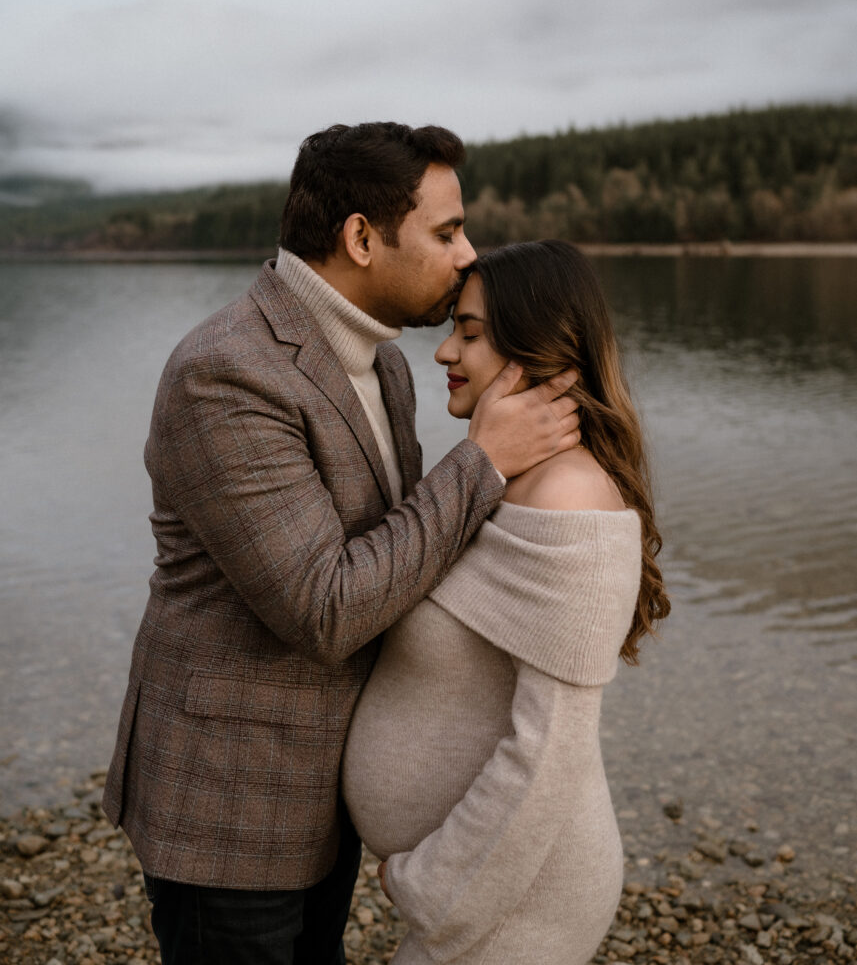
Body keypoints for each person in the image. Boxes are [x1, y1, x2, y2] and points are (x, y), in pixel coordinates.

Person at [101, 123, 581, 965]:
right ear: (361, 237)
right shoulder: (226, 373)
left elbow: (405, 553)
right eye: (444, 232)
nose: (469, 255)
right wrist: (484, 462)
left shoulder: (385, 365)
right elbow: (326, 607)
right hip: (230, 808)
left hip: (324, 796)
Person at [343, 239, 671, 965]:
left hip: (518, 897)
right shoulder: (499, 481)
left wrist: (429, 887)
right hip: (482, 889)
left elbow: (550, 749)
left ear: (540, 347)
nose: (443, 355)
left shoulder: (569, 498)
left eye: (468, 333)